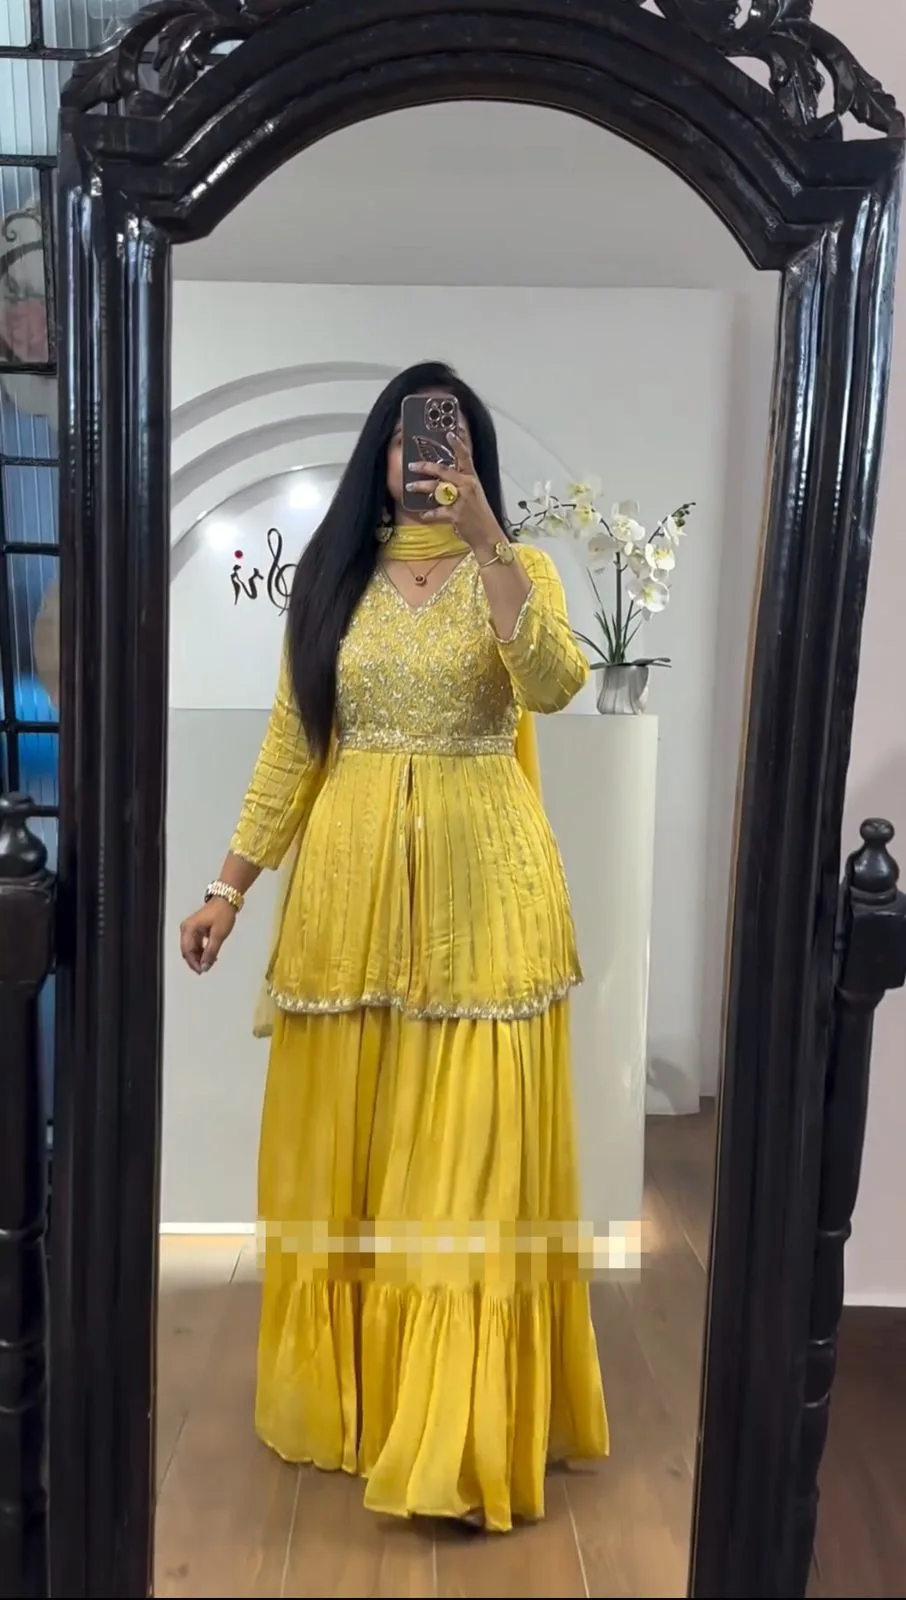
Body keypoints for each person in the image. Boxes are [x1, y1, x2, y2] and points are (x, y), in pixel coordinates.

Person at [179, 360, 608, 1531]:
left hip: (488, 916)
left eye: (449, 439)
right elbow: (291, 747)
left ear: (472, 457)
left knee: (468, 1165)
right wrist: (224, 889)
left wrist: (488, 538)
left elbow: (554, 684)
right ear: (380, 452)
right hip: (346, 914)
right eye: (413, 439)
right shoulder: (333, 580)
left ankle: (458, 1438)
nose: (427, 457)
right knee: (358, 1166)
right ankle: (368, 1408)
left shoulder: (518, 570)